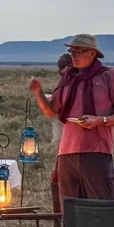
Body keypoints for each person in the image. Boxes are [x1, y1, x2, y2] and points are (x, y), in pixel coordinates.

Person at [29, 35, 114, 227]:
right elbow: (51, 112)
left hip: (96, 151)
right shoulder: (68, 78)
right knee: (72, 213)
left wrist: (99, 121)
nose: (73, 56)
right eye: (71, 52)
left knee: (104, 208)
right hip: (67, 152)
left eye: (78, 51)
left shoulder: (108, 77)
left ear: (92, 53)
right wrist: (38, 93)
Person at [48, 53, 73, 215]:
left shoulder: (76, 84)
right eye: (59, 69)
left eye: (64, 68)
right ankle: (59, 218)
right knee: (56, 181)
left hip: (74, 143)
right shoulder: (63, 85)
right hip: (63, 144)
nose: (62, 72)